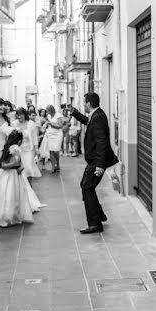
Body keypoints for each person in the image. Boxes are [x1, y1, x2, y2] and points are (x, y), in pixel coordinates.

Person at [68, 92, 119, 234]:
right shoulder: (97, 115)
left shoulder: (98, 118)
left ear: (89, 103)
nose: (83, 105)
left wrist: (100, 166)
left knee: (86, 186)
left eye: (84, 103)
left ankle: (95, 223)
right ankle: (99, 214)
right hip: (94, 160)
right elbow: (87, 121)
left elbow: (102, 142)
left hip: (96, 160)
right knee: (87, 186)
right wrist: (74, 112)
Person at [0, 131, 43, 227]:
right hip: (8, 176)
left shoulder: (16, 150)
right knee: (7, 195)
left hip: (15, 176)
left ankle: (13, 215)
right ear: (19, 141)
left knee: (15, 195)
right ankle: (5, 216)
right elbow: (2, 165)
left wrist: (20, 166)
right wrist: (14, 165)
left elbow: (19, 164)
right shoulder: (9, 150)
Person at [14, 107, 41, 180]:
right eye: (18, 115)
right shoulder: (14, 123)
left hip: (29, 149)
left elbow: (34, 137)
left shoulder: (30, 123)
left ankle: (30, 185)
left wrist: (36, 149)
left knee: (28, 167)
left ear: (24, 114)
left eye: (21, 114)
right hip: (17, 150)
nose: (19, 117)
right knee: (19, 168)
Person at [40, 104, 65, 173]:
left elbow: (60, 125)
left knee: (56, 150)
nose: (47, 112)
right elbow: (48, 123)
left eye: (48, 110)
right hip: (50, 134)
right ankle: (53, 167)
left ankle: (58, 163)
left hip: (57, 135)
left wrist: (52, 124)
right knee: (51, 150)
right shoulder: (48, 116)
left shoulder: (58, 115)